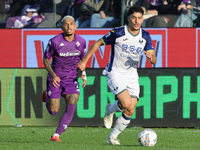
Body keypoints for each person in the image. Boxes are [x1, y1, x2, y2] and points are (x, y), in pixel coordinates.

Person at [78, 6, 157, 145]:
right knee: (126, 103)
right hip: (115, 72)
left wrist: (151, 57)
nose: (137, 21)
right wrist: (84, 61)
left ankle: (112, 137)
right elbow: (98, 43)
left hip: (132, 74)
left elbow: (154, 59)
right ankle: (110, 109)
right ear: (128, 18)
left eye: (139, 18)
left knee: (130, 109)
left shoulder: (145, 36)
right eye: (134, 18)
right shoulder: (118, 32)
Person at [42, 15, 87, 142]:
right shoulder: (55, 41)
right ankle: (47, 94)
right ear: (62, 27)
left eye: (71, 24)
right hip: (56, 78)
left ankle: (56, 135)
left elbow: (83, 60)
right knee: (53, 111)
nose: (69, 26)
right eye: (66, 24)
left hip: (71, 78)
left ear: (75, 26)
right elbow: (46, 59)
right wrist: (53, 75)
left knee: (73, 102)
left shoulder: (81, 41)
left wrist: (84, 73)